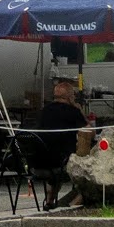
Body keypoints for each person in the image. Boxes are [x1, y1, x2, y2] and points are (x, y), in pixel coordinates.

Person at [27, 77, 88, 209]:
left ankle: (50, 200)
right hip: (60, 164)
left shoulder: (43, 111)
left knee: (56, 158)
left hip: (37, 163)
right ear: (70, 97)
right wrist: (80, 110)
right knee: (85, 164)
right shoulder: (73, 112)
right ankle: (75, 202)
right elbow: (89, 131)